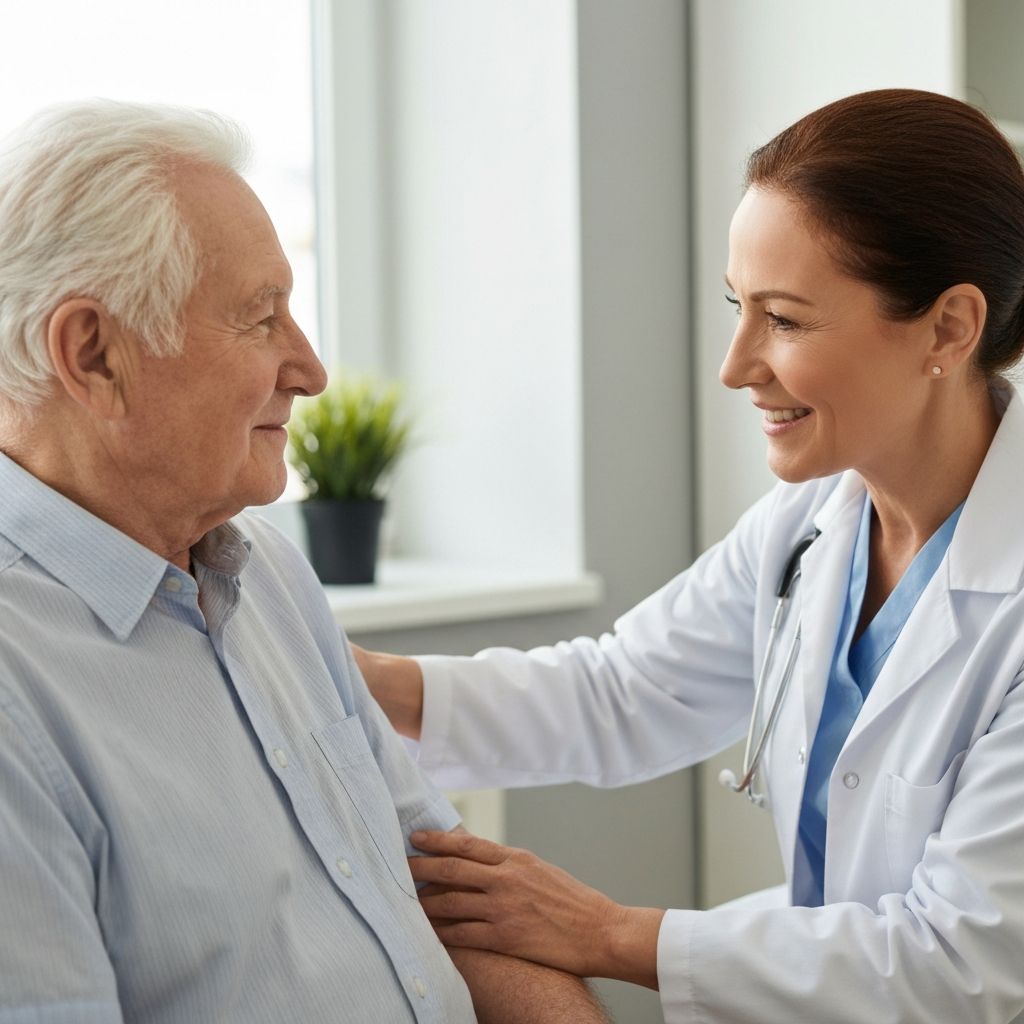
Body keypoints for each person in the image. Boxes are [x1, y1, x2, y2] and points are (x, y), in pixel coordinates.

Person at [356, 89, 1024, 1024]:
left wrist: (607, 933)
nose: (736, 363)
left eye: (785, 321)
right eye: (736, 307)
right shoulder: (809, 523)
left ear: (949, 328)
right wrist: (349, 676)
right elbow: (624, 692)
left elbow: (961, 966)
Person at [0, 100, 608, 1024]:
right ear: (93, 354)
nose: (311, 368)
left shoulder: (267, 575)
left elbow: (468, 910)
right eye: (260, 318)